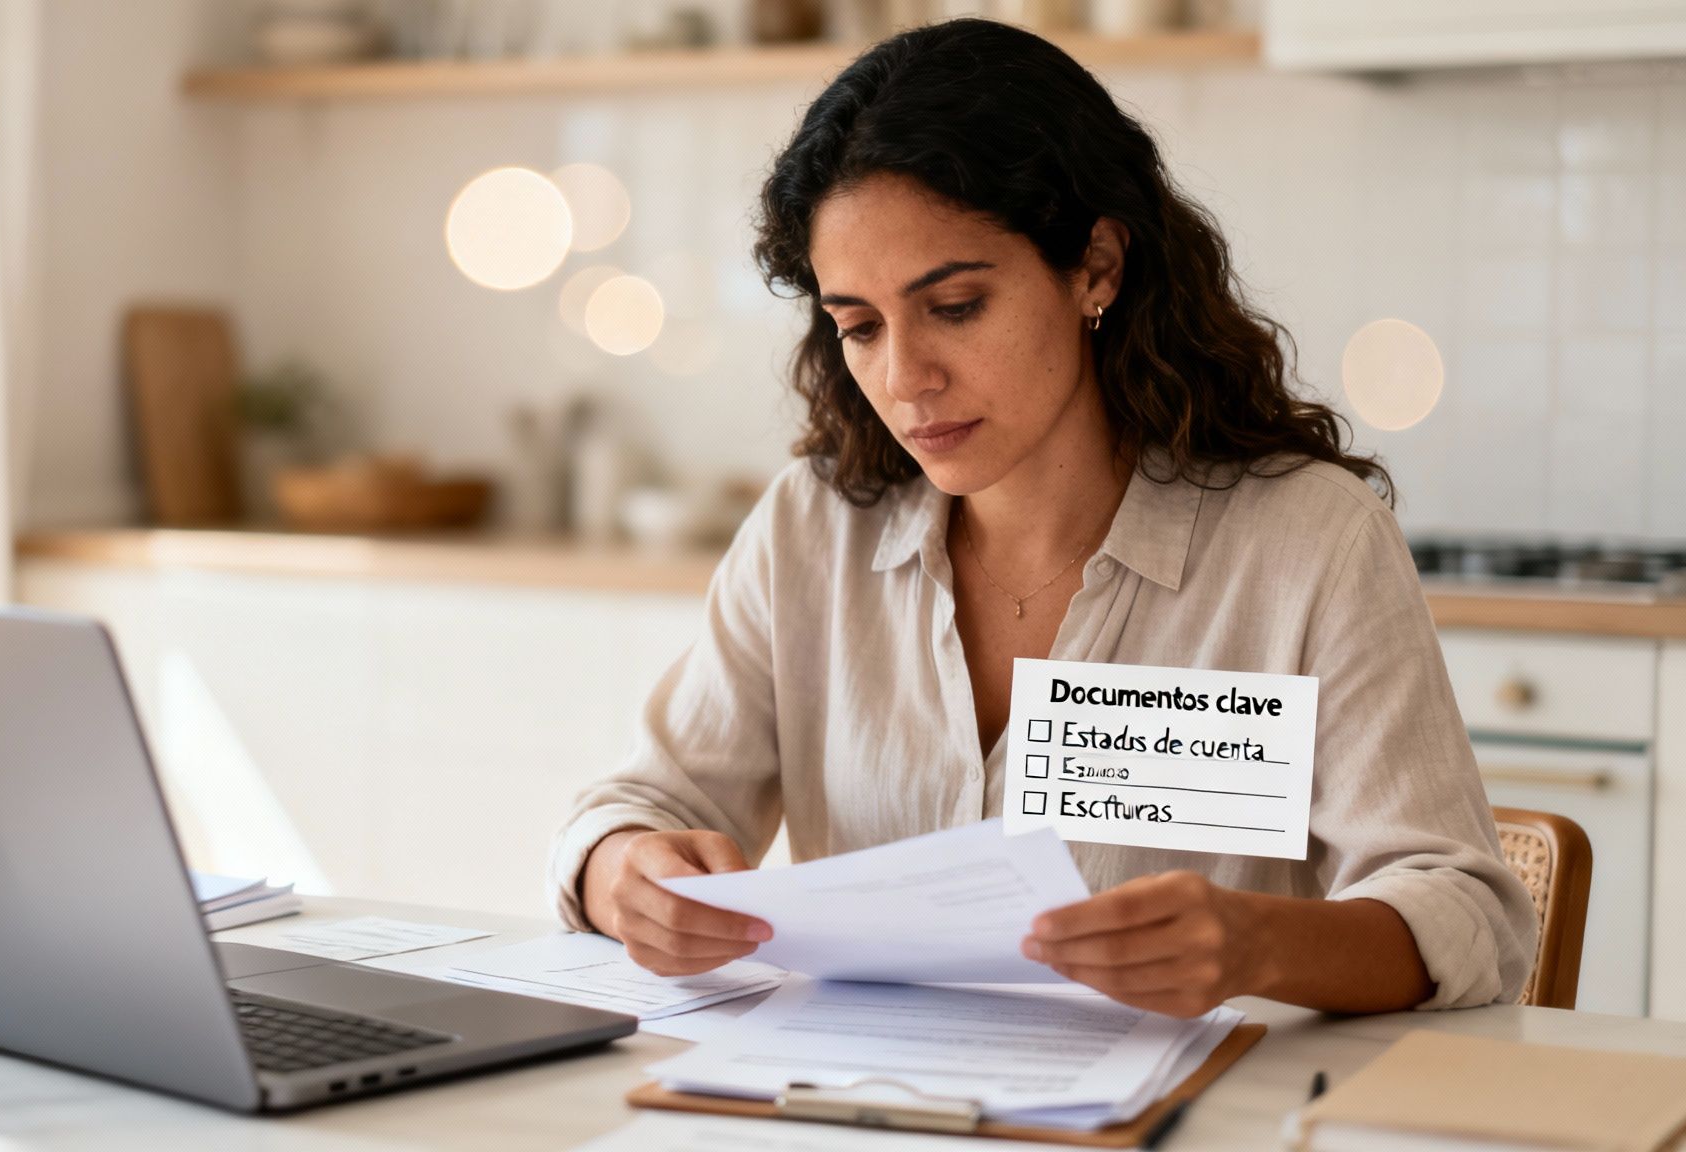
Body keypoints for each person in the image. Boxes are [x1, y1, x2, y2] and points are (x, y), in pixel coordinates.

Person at [549, 19, 1536, 1016]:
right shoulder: (814, 529)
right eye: (858, 326)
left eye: (956, 305)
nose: (904, 378)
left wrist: (1252, 945)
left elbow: (1465, 915)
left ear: (1095, 266)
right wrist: (625, 872)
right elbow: (639, 809)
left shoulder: (1304, 544)